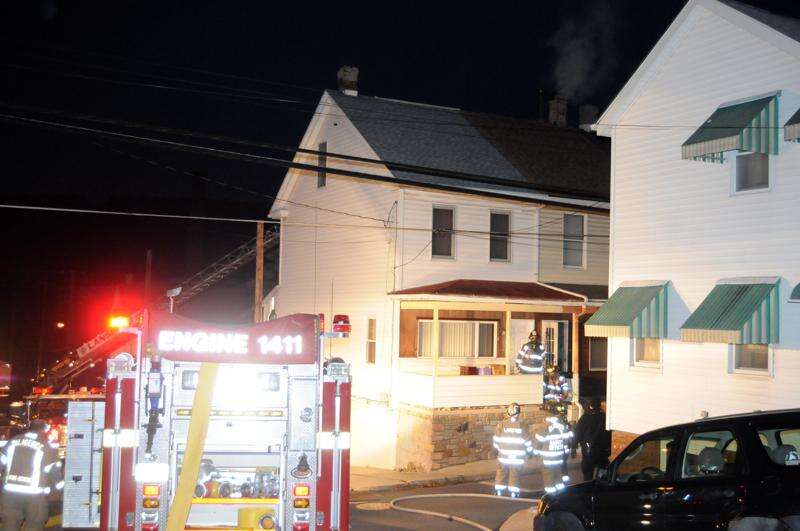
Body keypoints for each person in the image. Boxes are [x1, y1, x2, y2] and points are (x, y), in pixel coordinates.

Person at [0, 419, 64, 531]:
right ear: (43, 430)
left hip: (10, 494)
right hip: (34, 496)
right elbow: (55, 474)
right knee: (34, 525)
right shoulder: (47, 446)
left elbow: (1, 462)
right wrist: (61, 491)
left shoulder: (13, 441)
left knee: (9, 525)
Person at [492, 403, 533, 497]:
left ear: (510, 411)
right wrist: (530, 452)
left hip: (503, 456)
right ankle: (514, 493)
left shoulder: (501, 424)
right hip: (517, 457)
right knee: (515, 475)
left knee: (501, 473)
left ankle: (499, 491)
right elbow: (527, 441)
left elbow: (496, 440)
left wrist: (498, 450)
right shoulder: (522, 425)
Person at [573, 398, 611, 481]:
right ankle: (601, 488)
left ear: (590, 406)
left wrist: (573, 446)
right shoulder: (605, 418)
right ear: (600, 406)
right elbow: (609, 433)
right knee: (603, 473)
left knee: (588, 474)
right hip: (603, 450)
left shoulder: (585, 418)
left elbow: (577, 433)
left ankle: (589, 490)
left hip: (589, 451)